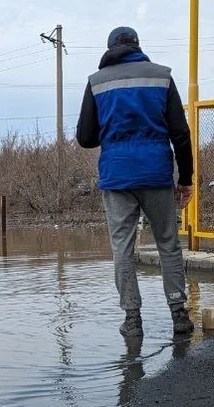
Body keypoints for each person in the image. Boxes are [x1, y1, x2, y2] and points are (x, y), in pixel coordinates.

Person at [76, 26, 195, 338]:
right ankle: (179, 313)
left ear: (110, 47)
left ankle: (132, 319)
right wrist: (186, 179)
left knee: (123, 248)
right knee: (168, 243)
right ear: (138, 45)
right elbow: (181, 133)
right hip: (156, 172)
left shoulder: (96, 82)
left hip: (117, 175)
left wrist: (114, 132)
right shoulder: (161, 77)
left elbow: (85, 138)